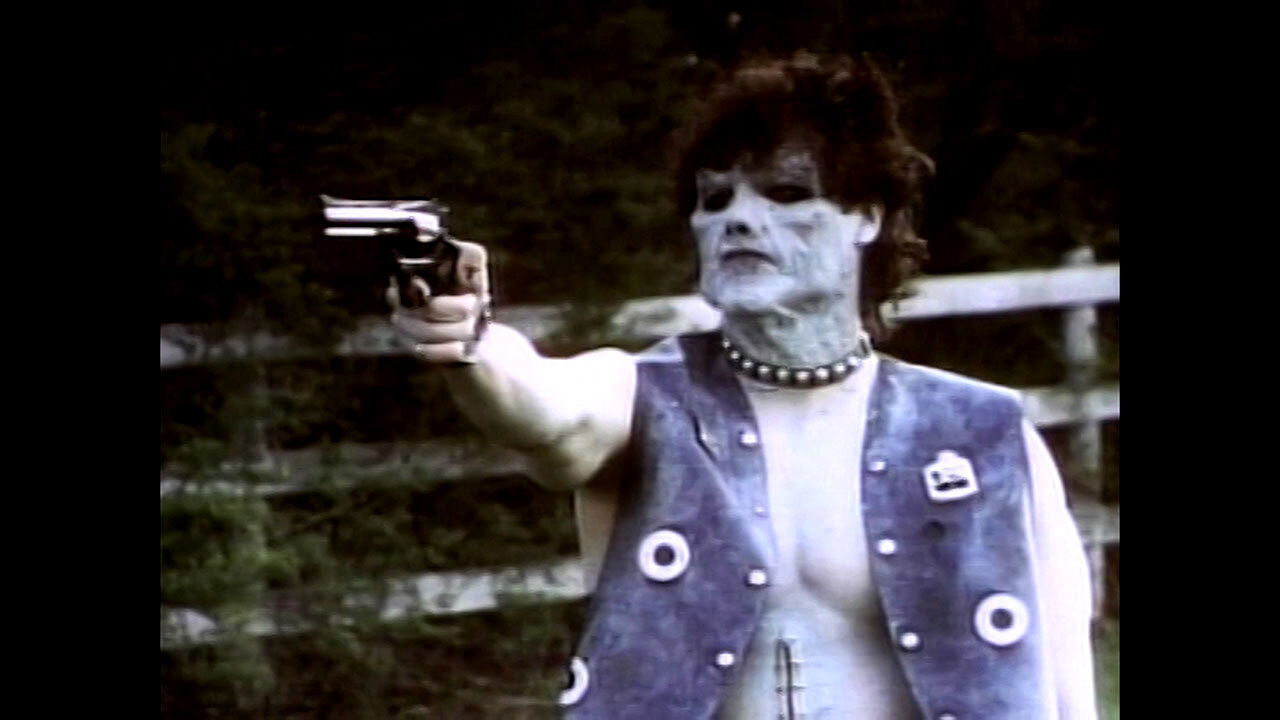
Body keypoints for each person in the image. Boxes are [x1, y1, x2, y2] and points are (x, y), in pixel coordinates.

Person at [389, 53, 1097, 720]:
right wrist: (472, 342)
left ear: (867, 216)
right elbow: (549, 410)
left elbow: (1067, 686)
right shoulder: (646, 402)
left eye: (786, 193)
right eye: (715, 198)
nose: (738, 219)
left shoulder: (980, 434)